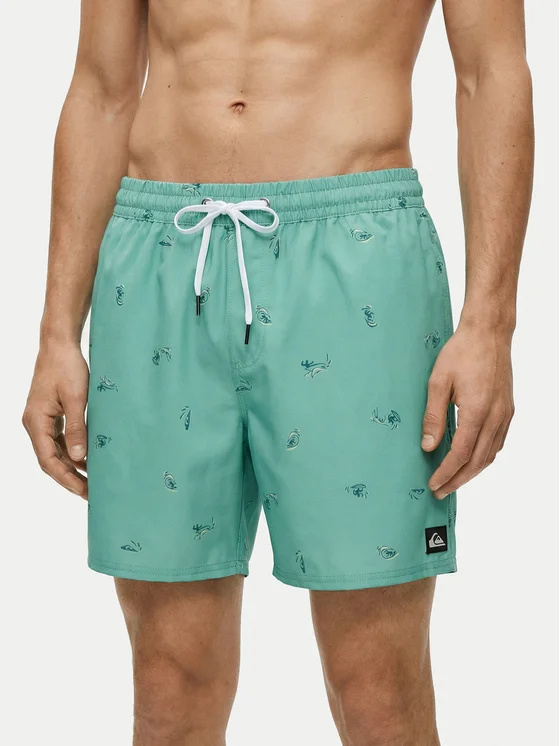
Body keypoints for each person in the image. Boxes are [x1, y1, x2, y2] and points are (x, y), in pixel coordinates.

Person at [22, 0, 533, 743]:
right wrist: (56, 334)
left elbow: (490, 73)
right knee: (167, 683)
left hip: (356, 256)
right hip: (159, 255)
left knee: (376, 687)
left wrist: (491, 322)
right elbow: (101, 89)